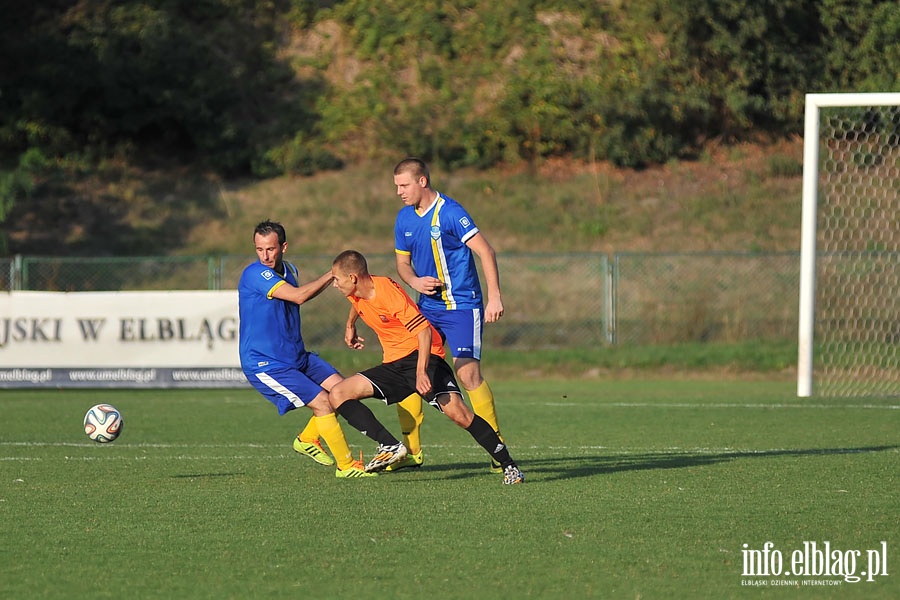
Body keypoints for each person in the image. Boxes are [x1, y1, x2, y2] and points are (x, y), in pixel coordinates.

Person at [328, 250, 524, 484]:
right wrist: (351, 325)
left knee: (460, 415)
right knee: (339, 393)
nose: (334, 285)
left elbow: (424, 331)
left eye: (336, 279)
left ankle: (509, 465)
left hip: (423, 357)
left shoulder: (387, 293)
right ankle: (390, 445)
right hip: (393, 365)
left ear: (352, 278)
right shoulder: (357, 292)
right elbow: (357, 304)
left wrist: (421, 372)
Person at [238, 220, 408, 478]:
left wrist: (351, 322)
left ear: (283, 247)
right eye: (259, 249)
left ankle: (309, 439)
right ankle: (346, 466)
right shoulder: (254, 274)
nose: (265, 255)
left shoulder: (290, 270)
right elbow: (298, 296)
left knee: (342, 392)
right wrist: (333, 273)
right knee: (324, 404)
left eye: (271, 249)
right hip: (266, 363)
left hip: (296, 356)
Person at [389, 157, 505, 472]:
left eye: (404, 185)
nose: (399, 192)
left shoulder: (451, 213)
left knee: (467, 375)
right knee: (410, 370)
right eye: (397, 186)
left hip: (462, 307)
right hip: (427, 309)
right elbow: (402, 264)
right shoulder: (404, 219)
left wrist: (494, 298)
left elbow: (486, 251)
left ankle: (496, 448)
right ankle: (411, 452)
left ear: (422, 181)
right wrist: (414, 281)